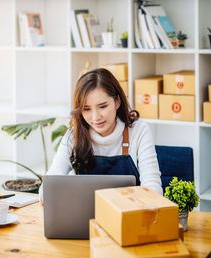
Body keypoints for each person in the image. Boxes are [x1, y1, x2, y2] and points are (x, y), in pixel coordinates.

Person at [39, 68, 162, 201]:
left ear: (117, 102)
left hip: (129, 216)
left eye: (103, 106)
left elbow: (153, 190)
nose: (96, 117)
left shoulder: (138, 131)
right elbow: (47, 188)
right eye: (86, 109)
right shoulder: (73, 136)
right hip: (84, 218)